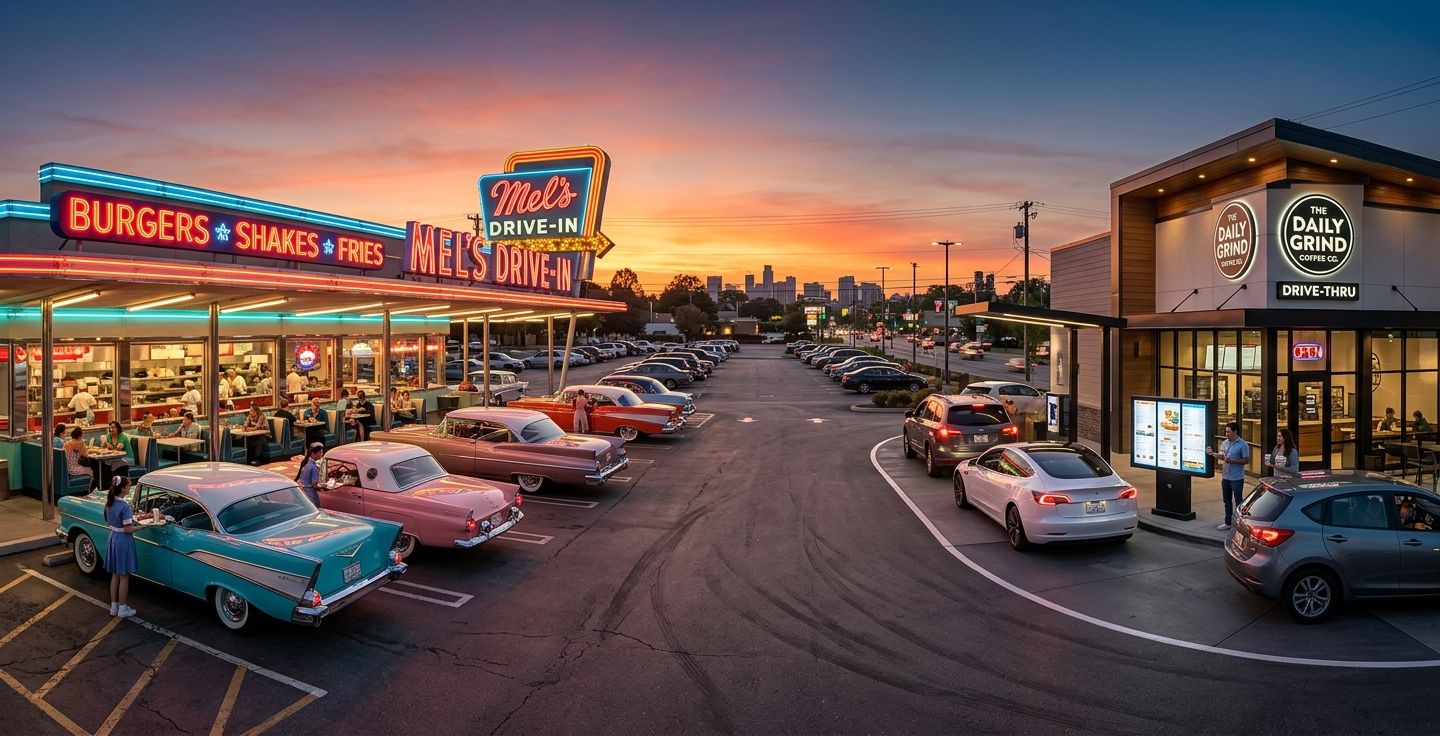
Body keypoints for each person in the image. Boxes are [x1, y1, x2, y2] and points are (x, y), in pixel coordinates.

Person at [104, 475, 139, 618]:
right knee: (124, 576)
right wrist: (146, 526)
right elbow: (128, 529)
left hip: (113, 537)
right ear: (123, 488)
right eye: (129, 485)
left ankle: (114, 606)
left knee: (115, 575)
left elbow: (108, 520)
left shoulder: (109, 503)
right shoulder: (124, 506)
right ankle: (123, 608)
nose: (130, 487)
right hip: (123, 541)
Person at [1207, 421, 1250, 530]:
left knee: (1238, 501)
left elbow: (1246, 460)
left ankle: (1240, 524)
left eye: (1228, 432)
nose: (1226, 434)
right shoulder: (1225, 443)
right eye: (1226, 432)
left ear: (1235, 432)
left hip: (1237, 478)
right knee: (1227, 501)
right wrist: (1213, 454)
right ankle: (1228, 522)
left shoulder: (1243, 445)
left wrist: (1232, 461)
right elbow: (1222, 456)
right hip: (1225, 477)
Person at [62, 426, 97, 491]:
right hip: (74, 468)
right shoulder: (80, 443)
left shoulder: (66, 443)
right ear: (80, 436)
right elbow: (85, 455)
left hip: (67, 468)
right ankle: (90, 490)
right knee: (91, 470)